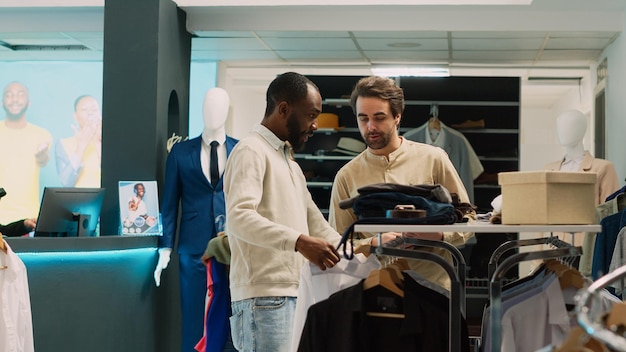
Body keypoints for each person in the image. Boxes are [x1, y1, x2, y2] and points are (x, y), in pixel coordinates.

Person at [223, 72, 341, 352]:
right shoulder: (250, 150)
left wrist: (365, 247)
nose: (314, 126)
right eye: (311, 115)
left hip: (292, 293)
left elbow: (317, 225)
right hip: (262, 298)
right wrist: (299, 242)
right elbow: (239, 218)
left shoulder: (290, 163)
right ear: (284, 109)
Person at [328, 75, 475, 291]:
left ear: (397, 116)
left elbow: (469, 219)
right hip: (373, 290)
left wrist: (440, 235)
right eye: (363, 119)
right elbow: (337, 241)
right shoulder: (347, 175)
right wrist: (372, 243)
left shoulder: (434, 159)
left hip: (434, 287)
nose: (370, 127)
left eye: (379, 117)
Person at [154, 87, 239, 352]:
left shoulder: (241, 150)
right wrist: (165, 248)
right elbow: (169, 204)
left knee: (230, 315)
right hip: (193, 246)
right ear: (201, 110)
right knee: (193, 314)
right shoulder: (181, 152)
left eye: (219, 106)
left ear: (227, 111)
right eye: (208, 106)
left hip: (232, 247)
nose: (213, 112)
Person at [544, 109, 619, 275]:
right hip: (551, 246)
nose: (563, 131)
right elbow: (543, 216)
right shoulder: (549, 169)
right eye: (560, 126)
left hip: (585, 249)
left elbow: (610, 215)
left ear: (582, 129)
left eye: (569, 126)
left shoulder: (602, 168)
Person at [0, 81, 52, 224]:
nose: (15, 99)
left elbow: (43, 160)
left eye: (20, 95)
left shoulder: (41, 134)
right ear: (2, 102)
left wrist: (41, 156)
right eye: (9, 95)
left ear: (28, 103)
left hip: (29, 218)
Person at [55, 94, 102, 187]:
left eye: (94, 109)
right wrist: (81, 146)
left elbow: (116, 175)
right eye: (84, 109)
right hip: (78, 200)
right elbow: (66, 183)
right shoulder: (63, 144)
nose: (90, 113)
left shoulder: (109, 142)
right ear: (75, 116)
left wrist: (98, 143)